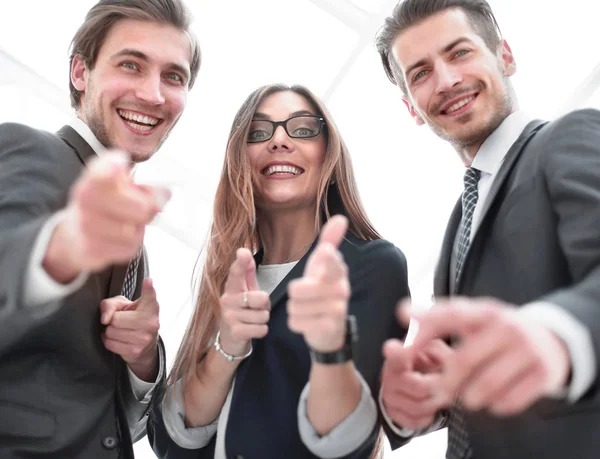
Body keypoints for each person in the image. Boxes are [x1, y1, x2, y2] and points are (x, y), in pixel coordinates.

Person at [375, 0, 600, 458]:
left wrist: (556, 335)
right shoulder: (459, 222)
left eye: (459, 53)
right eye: (420, 73)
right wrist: (416, 398)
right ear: (411, 107)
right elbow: (461, 370)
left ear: (506, 55)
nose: (447, 81)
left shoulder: (569, 138)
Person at [147, 84, 409, 459]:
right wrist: (227, 349)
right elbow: (169, 441)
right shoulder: (228, 279)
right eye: (258, 132)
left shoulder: (371, 266)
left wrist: (329, 349)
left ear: (329, 158)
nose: (280, 140)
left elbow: (346, 441)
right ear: (241, 163)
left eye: (302, 129)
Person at [0, 1, 200, 458]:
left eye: (174, 76)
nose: (153, 95)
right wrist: (55, 255)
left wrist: (142, 358)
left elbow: (116, 427)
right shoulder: (28, 152)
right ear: (80, 73)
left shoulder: (133, 245)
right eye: (131, 65)